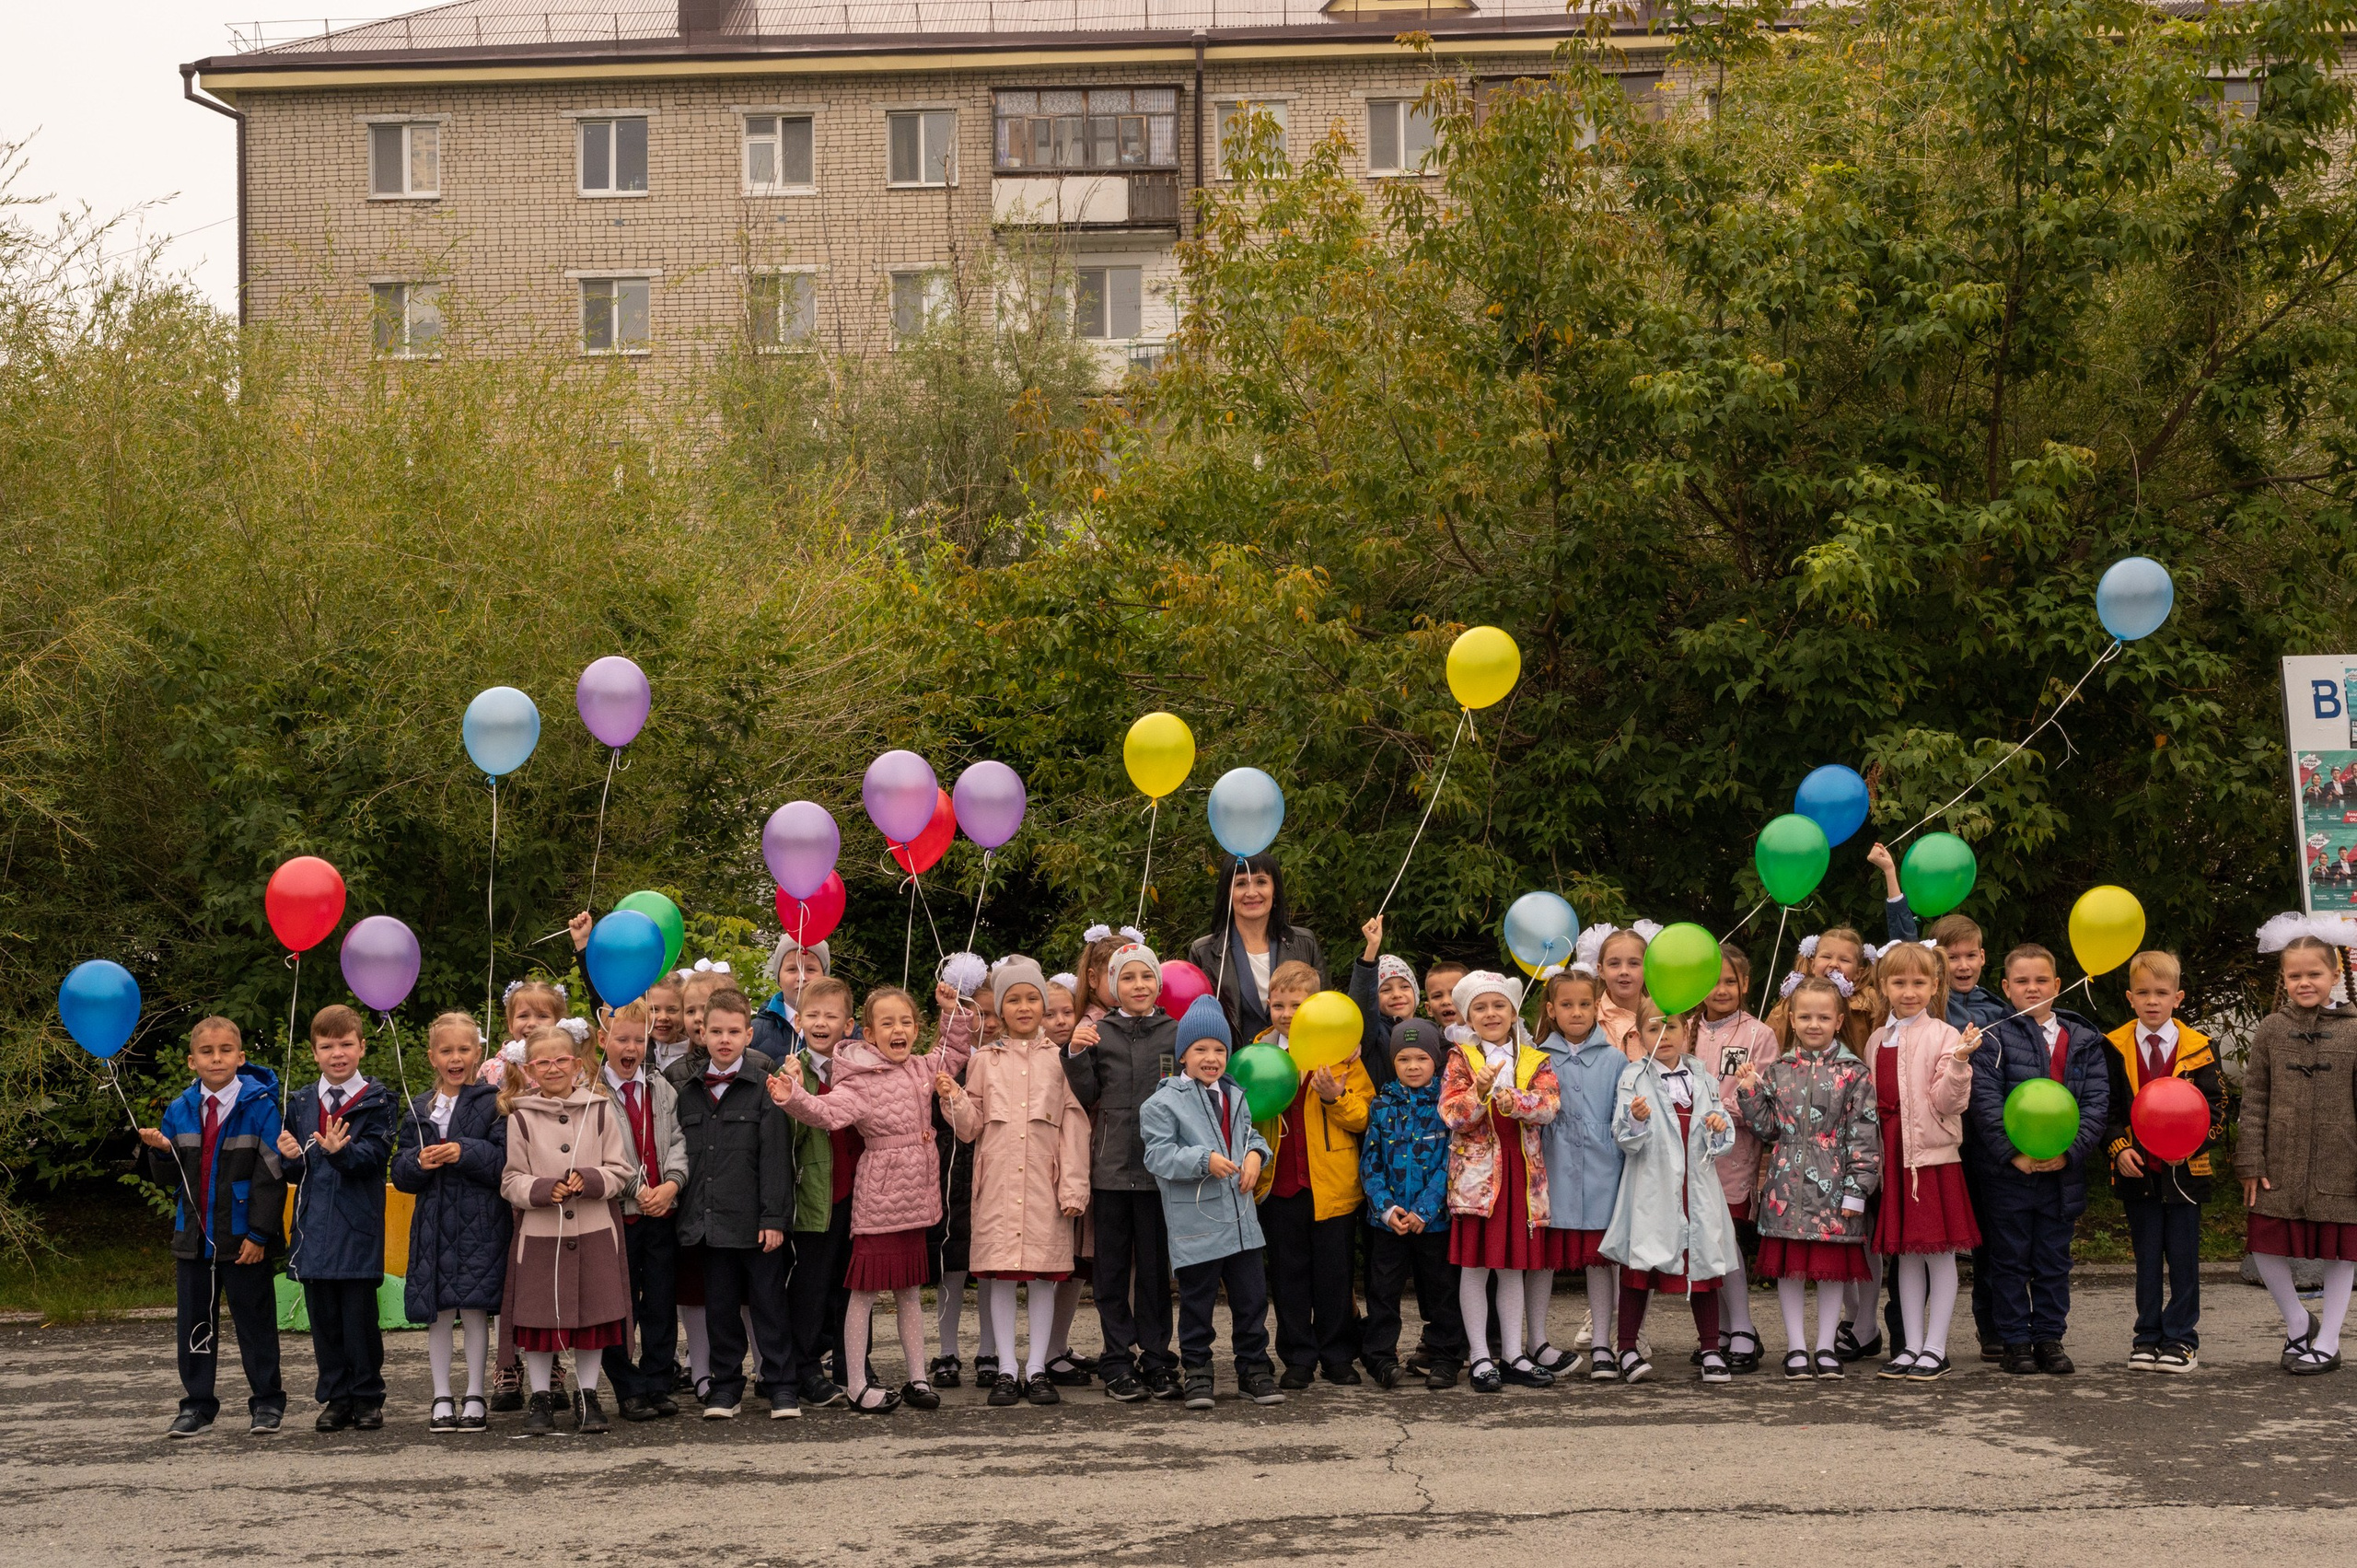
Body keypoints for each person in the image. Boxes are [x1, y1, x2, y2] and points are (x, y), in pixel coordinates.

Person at [772, 981, 975, 1413]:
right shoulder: (858, 1079)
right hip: (879, 1201)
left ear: (916, 1030)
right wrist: (794, 1096)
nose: (898, 1029)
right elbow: (827, 1114)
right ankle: (857, 1383)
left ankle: (918, 1378)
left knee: (909, 1291)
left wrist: (951, 1011)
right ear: (867, 1033)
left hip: (918, 1200)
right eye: (887, 1023)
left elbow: (954, 1052)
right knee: (862, 1294)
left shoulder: (923, 1068)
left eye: (905, 1022)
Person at [940, 958, 1092, 1407]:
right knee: (1002, 1278)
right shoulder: (982, 1060)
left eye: (1032, 999)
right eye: (1013, 999)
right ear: (1000, 1010)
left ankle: (1038, 1368)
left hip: (1046, 1187)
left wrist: (1074, 1188)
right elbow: (970, 1127)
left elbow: (1074, 1126)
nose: (1024, 1007)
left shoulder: (1061, 1061)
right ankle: (1007, 1369)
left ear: (1043, 1006)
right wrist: (953, 1099)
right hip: (999, 1188)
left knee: (1044, 1278)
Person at [139, 1016, 286, 1438]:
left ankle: (267, 1402)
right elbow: (170, 1181)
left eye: (225, 1051)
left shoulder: (260, 1106)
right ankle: (197, 1404)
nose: (216, 1058)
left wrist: (259, 1234)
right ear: (191, 1061)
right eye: (207, 1051)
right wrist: (163, 1155)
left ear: (241, 1057)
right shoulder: (179, 1110)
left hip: (244, 1240)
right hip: (194, 1238)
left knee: (255, 1323)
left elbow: (271, 1178)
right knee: (194, 1325)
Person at [1968, 944, 2107, 1376]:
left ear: (2057, 985)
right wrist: (2014, 1154)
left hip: (2061, 1176)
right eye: (2023, 982)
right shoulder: (1990, 1039)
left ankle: (2049, 1338)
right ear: (2006, 988)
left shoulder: (2082, 1040)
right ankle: (2015, 1341)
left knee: (2052, 1260)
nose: (2033, 989)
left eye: (2041, 980)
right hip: (2008, 1174)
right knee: (2007, 1260)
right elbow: (1984, 1102)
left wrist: (2069, 1152)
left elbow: (2097, 1103)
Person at [1140, 996, 1284, 1410]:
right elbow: (1158, 1156)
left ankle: (1254, 1370)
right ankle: (1198, 1372)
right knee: (1197, 1304)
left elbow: (1249, 1138)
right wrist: (1202, 1160)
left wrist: (1257, 1154)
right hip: (1197, 1225)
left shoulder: (1235, 1096)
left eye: (1219, 1049)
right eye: (1200, 1049)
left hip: (1242, 1220)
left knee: (1252, 1301)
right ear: (1182, 1054)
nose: (1211, 1057)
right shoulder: (1162, 1103)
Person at [1736, 977, 1880, 1380]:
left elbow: (1864, 1134)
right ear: (1793, 1021)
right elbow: (1768, 1130)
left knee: (1831, 1272)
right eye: (1805, 1016)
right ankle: (1797, 1347)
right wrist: (1750, 1092)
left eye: (1823, 1016)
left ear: (1838, 1021)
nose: (1813, 1024)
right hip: (1786, 1187)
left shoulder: (1855, 1073)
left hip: (1835, 1190)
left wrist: (1858, 1190)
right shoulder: (1780, 1069)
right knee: (1791, 1270)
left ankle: (1826, 1345)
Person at [498, 1023, 635, 1435]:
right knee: (541, 1321)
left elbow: (621, 1169)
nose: (553, 1068)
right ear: (530, 1069)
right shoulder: (520, 1117)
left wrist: (591, 1180)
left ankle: (588, 1395)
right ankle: (540, 1398)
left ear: (577, 1065)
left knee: (592, 1320)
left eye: (562, 1060)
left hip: (594, 1231)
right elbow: (510, 1181)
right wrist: (542, 1189)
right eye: (544, 1062)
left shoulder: (599, 1109)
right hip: (541, 1236)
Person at [1062, 939, 1184, 1400]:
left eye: (1146, 976)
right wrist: (1074, 1053)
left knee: (1155, 1272)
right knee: (1111, 1272)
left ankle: (1157, 1359)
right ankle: (1116, 1360)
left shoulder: (1176, 1032)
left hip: (1159, 1173)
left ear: (1158, 983)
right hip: (1111, 1171)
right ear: (1113, 984)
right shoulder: (1099, 1031)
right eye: (1128, 977)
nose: (1138, 984)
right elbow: (1087, 1093)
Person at [673, 987, 797, 1420]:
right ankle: (725, 1387)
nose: (724, 1039)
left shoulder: (766, 1086)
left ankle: (782, 1385)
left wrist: (774, 1217)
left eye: (733, 1031)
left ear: (749, 1034)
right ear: (702, 1034)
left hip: (756, 1220)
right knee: (720, 1309)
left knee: (769, 1304)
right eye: (716, 1031)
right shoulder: (685, 1089)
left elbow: (775, 1156)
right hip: (710, 1222)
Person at [2239, 930, 2357, 1376]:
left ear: (2334, 974)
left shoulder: (2355, 1030)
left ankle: (2328, 1341)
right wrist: (2250, 1159)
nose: (2304, 982)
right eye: (2294, 975)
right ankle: (2297, 1321)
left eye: (2314, 973)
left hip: (2340, 1159)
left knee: (2341, 1252)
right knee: (2265, 1241)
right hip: (2278, 1160)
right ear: (2283, 979)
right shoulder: (2271, 1029)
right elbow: (2254, 1100)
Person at [1437, 970, 1562, 1392]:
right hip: (1478, 1180)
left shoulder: (1534, 1059)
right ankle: (1480, 1357)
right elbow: (1452, 1114)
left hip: (1522, 1176)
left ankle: (1512, 1354)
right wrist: (1481, 1093)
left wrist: (1517, 1100)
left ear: (1513, 1012)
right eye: (1481, 1007)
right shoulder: (1461, 1059)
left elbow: (1549, 1106)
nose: (1491, 1013)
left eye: (1499, 1005)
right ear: (1469, 1018)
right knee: (1475, 1268)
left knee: (1512, 1268)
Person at [1253, 958, 1374, 1389]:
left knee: (1335, 1276)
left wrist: (1335, 1097)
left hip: (1332, 1185)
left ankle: (1338, 1356)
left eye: (1297, 1005)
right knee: (1288, 1277)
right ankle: (1297, 1358)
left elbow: (1365, 1118)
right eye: (1278, 1004)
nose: (1286, 1014)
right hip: (1279, 1186)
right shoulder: (1259, 1051)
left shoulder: (1343, 1054)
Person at [1605, 1004, 1740, 1384]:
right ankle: (1627, 1347)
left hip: (1695, 1189)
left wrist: (1717, 1125)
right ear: (1639, 1036)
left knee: (1703, 1267)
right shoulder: (1634, 1077)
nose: (1662, 1038)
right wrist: (1637, 1118)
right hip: (1653, 1187)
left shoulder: (1702, 1075)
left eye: (1671, 1029)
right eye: (1652, 1031)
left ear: (1686, 1031)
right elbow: (1623, 1136)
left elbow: (1720, 1134)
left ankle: (1711, 1348)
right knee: (1639, 1268)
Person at [2102, 948, 2222, 1374]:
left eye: (2161, 992)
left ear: (2178, 997)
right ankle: (2147, 1337)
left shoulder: (2201, 1049)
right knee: (2147, 1258)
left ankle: (2182, 1339)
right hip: (2140, 1173)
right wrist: (2120, 1149)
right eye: (2143, 993)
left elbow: (2218, 1108)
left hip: (2186, 1174)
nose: (2152, 1001)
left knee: (2184, 1258)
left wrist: (2194, 1144)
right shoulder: (2113, 1047)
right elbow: (2107, 1109)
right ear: (2130, 998)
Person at [1864, 943, 1980, 1381]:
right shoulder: (1878, 1038)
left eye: (1918, 982)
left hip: (1930, 1159)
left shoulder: (1946, 1036)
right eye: (1899, 982)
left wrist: (1960, 1063)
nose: (1909, 991)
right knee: (1905, 1257)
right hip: (1892, 1156)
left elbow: (1948, 1102)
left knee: (1939, 1254)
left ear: (1935, 986)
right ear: (1883, 986)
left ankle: (1937, 1347)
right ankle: (1911, 1346)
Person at [390, 1010, 510, 1433]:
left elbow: (503, 1163)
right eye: (447, 1051)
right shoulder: (420, 1106)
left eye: (464, 1049)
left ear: (477, 1053)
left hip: (480, 1223)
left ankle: (475, 1393)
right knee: (438, 1312)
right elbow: (400, 1171)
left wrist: (464, 1152)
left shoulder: (494, 1102)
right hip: (432, 1224)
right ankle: (441, 1395)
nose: (455, 1058)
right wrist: (418, 1162)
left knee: (476, 1310)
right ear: (432, 1057)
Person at [276, 1004, 392, 1432]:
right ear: (314, 1053)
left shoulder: (378, 1101)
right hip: (313, 1231)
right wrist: (287, 1160)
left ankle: (366, 1397)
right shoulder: (302, 1101)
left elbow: (376, 1156)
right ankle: (336, 1397)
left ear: (362, 1047)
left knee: (359, 1321)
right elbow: (295, 1167)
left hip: (357, 1227)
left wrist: (342, 1152)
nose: (337, 1053)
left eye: (346, 1044)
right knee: (323, 1321)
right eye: (327, 1046)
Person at [1360, 1017, 1467, 1390]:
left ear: (1435, 1061)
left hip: (1432, 1222)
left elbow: (1451, 1162)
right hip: (1389, 1222)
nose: (1413, 1066)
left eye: (1421, 1058)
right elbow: (1370, 1162)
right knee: (1383, 1292)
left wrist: (1425, 1209)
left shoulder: (1446, 1105)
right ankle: (1381, 1359)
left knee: (1441, 1290)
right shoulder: (1382, 1104)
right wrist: (1387, 1209)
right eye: (1404, 1059)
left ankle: (1446, 1356)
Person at [599, 1000, 690, 1420]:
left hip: (661, 1213)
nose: (631, 1047)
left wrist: (671, 1185)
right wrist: (640, 1189)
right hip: (620, 1216)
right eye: (622, 1039)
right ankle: (626, 1386)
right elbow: (607, 1152)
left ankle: (657, 1381)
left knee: (659, 1300)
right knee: (620, 1303)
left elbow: (677, 1142)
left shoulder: (662, 1089)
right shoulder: (594, 1097)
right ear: (604, 1041)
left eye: (639, 1039)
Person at [1534, 968, 1625, 1382]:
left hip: (1603, 1172)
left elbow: (1623, 1117)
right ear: (1551, 1010)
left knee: (1602, 1261)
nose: (1576, 1012)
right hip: (1550, 1173)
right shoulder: (1536, 1059)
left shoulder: (1616, 1059)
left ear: (1597, 1008)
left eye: (1585, 1004)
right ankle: (1536, 1339)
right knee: (1541, 1261)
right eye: (1567, 1005)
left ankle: (1604, 1343)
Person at [1696, 945, 1778, 1374]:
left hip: (1733, 1156)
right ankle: (1723, 1331)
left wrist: (1716, 1112)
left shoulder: (1758, 1034)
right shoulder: (1686, 1027)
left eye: (1731, 981)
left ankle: (1743, 1327)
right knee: (1707, 1242)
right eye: (1713, 981)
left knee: (1727, 1240)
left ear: (1745, 984)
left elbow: (1759, 1100)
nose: (1722, 989)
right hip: (1692, 1158)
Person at [1185, 852, 1327, 1044]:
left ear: (1275, 889)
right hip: (1231, 1068)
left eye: (1261, 882)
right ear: (1227, 893)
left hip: (1298, 1064)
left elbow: (1324, 1009)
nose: (1251, 893)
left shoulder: (1304, 942)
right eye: (1241, 883)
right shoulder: (1204, 952)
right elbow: (1194, 1023)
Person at [1346, 914, 1420, 1087]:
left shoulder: (1429, 1031)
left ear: (1416, 992)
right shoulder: (1374, 1033)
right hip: (1380, 1111)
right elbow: (1362, 1004)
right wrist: (1371, 949)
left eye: (1404, 987)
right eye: (1385, 990)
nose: (1396, 994)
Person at [477, 977, 571, 1086]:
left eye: (542, 1016)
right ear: (510, 1024)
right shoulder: (490, 1069)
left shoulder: (568, 1067)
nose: (532, 1023)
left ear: (558, 1023)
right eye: (523, 1016)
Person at [751, 936, 830, 1063]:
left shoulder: (845, 1032)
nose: (802, 977)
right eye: (792, 969)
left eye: (811, 969)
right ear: (779, 977)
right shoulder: (754, 1032)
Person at [1585, 925, 1653, 1055]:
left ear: (1647, 969)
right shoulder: (1587, 1018)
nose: (1624, 971)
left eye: (1634, 963)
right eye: (1614, 964)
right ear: (1601, 970)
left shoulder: (1660, 1018)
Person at [644, 977, 691, 1074]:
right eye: (654, 1009)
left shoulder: (695, 1055)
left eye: (672, 1010)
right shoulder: (636, 1053)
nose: (663, 1017)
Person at [1422, 960, 1469, 1028]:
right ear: (1429, 1009)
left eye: (1454, 994)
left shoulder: (1488, 1037)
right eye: (1437, 996)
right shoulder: (1428, 1038)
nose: (1446, 1001)